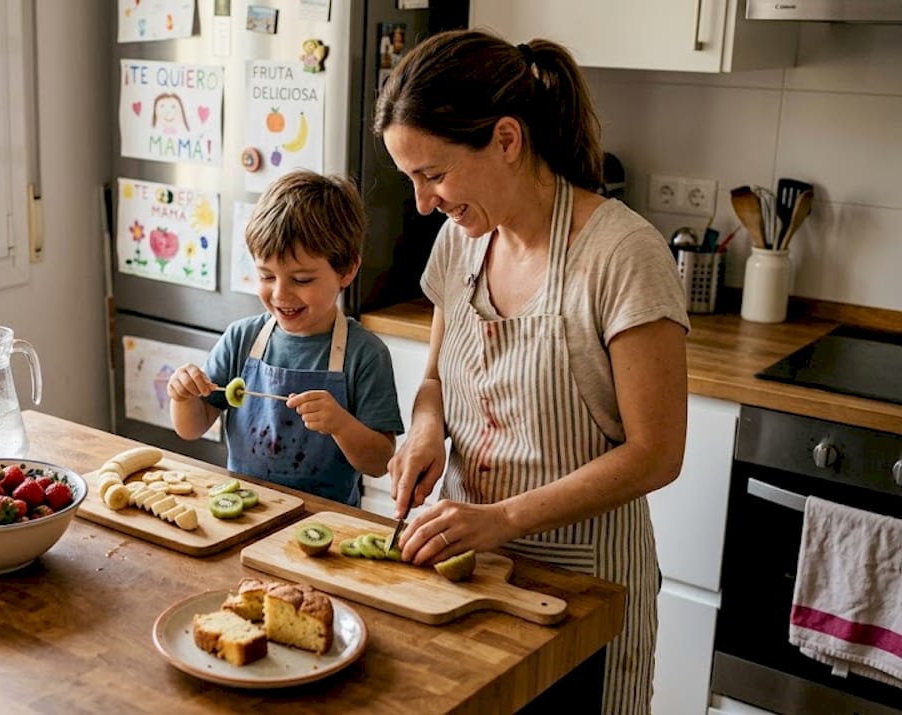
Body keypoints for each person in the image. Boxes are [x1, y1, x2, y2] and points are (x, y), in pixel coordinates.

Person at [374, 29, 688, 714]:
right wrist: (427, 431)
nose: (424, 203)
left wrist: (500, 517)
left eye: (434, 174)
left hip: (581, 597)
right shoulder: (460, 242)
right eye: (411, 180)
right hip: (470, 581)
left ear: (508, 140)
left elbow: (657, 454)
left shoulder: (621, 255)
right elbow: (433, 379)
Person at [167, 170, 404, 506]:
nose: (281, 294)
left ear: (347, 270)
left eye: (302, 279)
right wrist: (183, 396)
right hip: (245, 509)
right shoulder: (242, 338)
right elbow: (191, 428)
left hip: (324, 523)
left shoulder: (365, 354)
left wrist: (340, 424)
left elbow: (379, 462)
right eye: (266, 275)